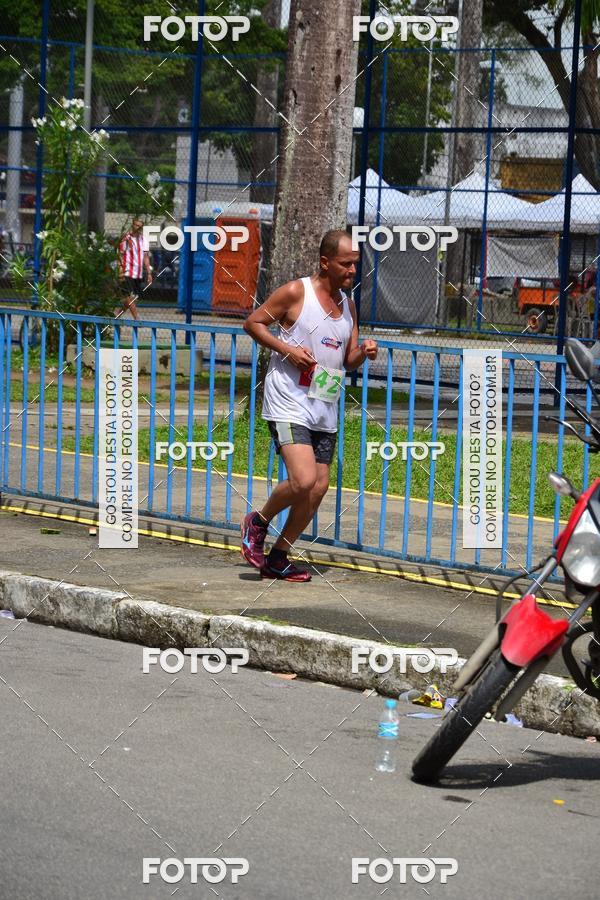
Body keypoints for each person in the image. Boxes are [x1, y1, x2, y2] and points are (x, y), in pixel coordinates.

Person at [241, 229, 378, 582]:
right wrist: (287, 350)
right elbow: (253, 323)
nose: (352, 270)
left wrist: (363, 352)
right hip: (288, 400)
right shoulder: (296, 292)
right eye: (346, 264)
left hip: (323, 403)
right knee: (302, 480)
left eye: (355, 264)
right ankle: (257, 521)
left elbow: (346, 359)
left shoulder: (347, 304)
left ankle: (279, 556)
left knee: (318, 487)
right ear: (324, 262)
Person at [116, 216, 153, 320]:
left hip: (138, 273)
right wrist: (120, 270)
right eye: (136, 225)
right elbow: (121, 255)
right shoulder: (126, 239)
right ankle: (137, 318)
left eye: (139, 226)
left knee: (131, 300)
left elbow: (145, 257)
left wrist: (149, 273)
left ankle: (116, 315)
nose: (137, 227)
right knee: (129, 297)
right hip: (127, 272)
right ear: (132, 225)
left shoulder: (143, 239)